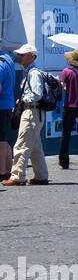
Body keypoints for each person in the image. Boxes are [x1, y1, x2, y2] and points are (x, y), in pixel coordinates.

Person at [3, 45, 45, 186]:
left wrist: (23, 99)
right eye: (20, 55)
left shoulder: (33, 73)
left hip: (31, 110)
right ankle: (41, 175)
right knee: (35, 146)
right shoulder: (29, 72)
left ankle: (17, 176)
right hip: (34, 111)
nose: (20, 57)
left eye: (23, 54)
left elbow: (37, 94)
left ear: (32, 56)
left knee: (21, 145)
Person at [0, 44, 15, 180]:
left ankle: (2, 172)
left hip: (1, 106)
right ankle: (8, 170)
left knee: (1, 141)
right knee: (5, 139)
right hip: (7, 105)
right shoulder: (7, 59)